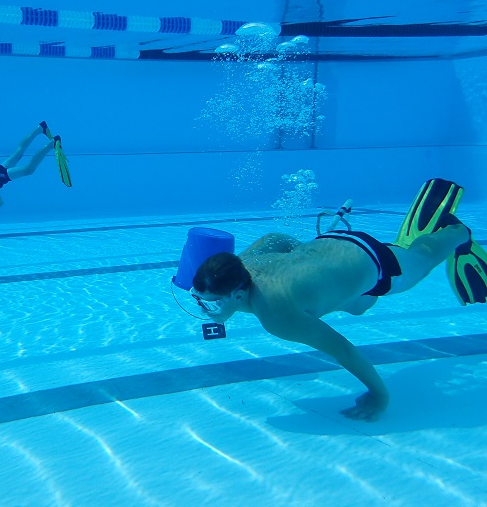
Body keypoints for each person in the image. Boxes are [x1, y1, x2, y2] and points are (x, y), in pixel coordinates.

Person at [189, 179, 487, 422]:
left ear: (239, 294)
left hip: (376, 262)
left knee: (421, 259)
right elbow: (274, 238)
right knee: (357, 307)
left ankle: (457, 232)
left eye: (213, 302)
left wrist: (379, 395)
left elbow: (343, 350)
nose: (208, 307)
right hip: (330, 246)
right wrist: (308, 261)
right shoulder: (242, 264)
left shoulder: (277, 316)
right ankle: (354, 289)